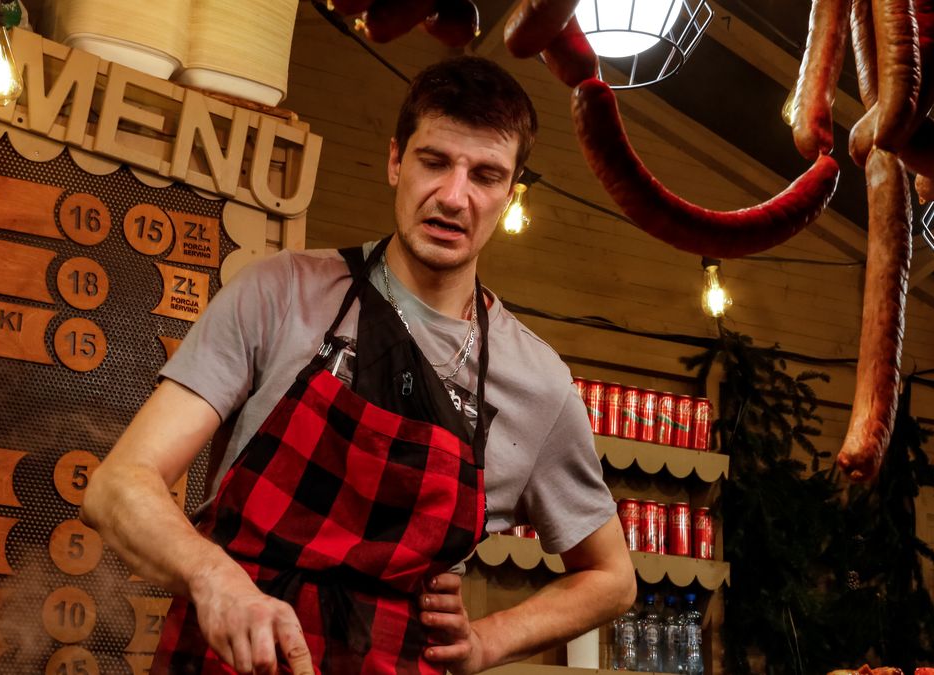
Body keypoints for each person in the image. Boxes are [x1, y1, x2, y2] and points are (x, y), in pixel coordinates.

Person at [81, 55, 635, 675]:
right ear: (396, 160)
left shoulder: (538, 384)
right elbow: (117, 486)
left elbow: (612, 578)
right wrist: (215, 580)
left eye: (485, 175)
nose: (453, 197)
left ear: (510, 193)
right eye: (434, 161)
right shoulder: (280, 292)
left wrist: (489, 640)